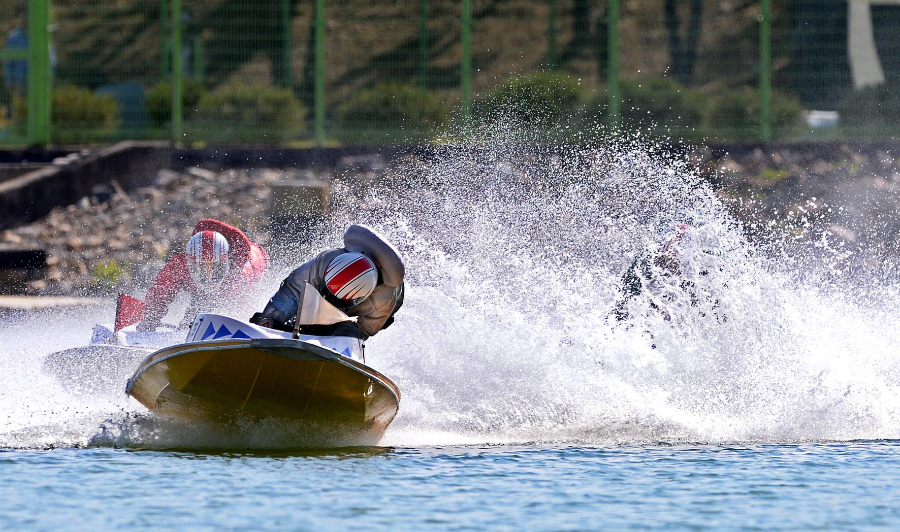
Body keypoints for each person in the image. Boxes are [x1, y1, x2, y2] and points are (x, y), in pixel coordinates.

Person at [251, 224, 405, 340]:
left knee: (345, 332)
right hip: (332, 283)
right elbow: (292, 291)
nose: (331, 301)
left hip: (378, 308)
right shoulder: (325, 261)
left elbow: (365, 329)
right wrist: (270, 320)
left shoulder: (384, 300)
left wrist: (340, 340)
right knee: (287, 314)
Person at [137, 219, 269, 331]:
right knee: (189, 324)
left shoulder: (242, 274)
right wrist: (150, 319)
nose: (208, 274)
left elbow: (247, 314)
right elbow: (159, 293)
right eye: (200, 266)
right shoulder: (180, 265)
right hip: (202, 294)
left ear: (227, 261)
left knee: (220, 321)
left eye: (215, 266)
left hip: (256, 263)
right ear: (190, 261)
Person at [612, 213, 723, 322]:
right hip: (672, 227)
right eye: (672, 262)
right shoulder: (645, 264)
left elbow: (720, 310)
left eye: (678, 264)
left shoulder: (706, 265)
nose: (674, 266)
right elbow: (620, 307)